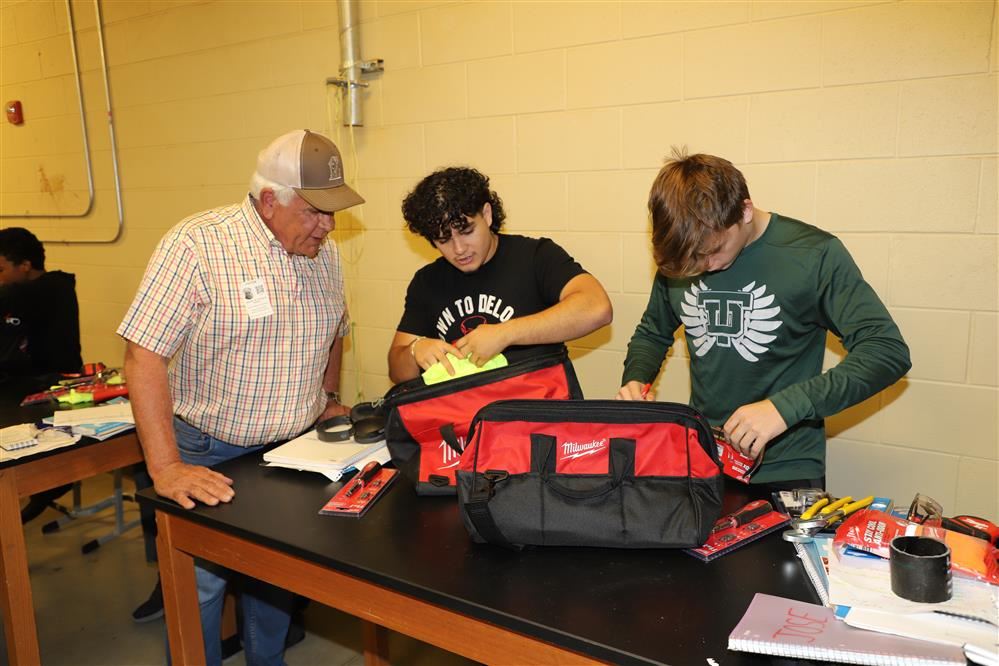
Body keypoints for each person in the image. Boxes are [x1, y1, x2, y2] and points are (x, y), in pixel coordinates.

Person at [117, 129, 362, 665]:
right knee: (201, 589)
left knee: (275, 581)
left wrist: (326, 397)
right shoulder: (198, 244)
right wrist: (165, 467)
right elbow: (144, 357)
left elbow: (335, 328)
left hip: (289, 453)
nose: (328, 225)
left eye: (333, 212)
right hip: (210, 450)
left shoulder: (324, 252)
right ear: (269, 200)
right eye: (316, 212)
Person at [617, 151, 910, 490]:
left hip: (785, 470)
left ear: (744, 210)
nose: (704, 266)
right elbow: (653, 332)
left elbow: (886, 351)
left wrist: (783, 408)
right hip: (703, 459)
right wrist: (637, 379)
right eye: (693, 258)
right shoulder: (688, 253)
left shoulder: (814, 255)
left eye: (714, 251)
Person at [387, 167, 613, 383]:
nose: (459, 249)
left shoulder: (535, 256)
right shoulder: (427, 281)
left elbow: (597, 308)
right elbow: (397, 371)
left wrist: (506, 333)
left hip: (538, 413)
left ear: (486, 215)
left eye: (467, 231)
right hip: (465, 415)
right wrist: (416, 349)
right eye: (443, 240)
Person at [0, 227, 83, 522]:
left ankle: (48, 483)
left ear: (25, 265)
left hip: (55, 384)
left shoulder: (51, 289)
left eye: (1, 269)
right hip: (27, 382)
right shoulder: (21, 295)